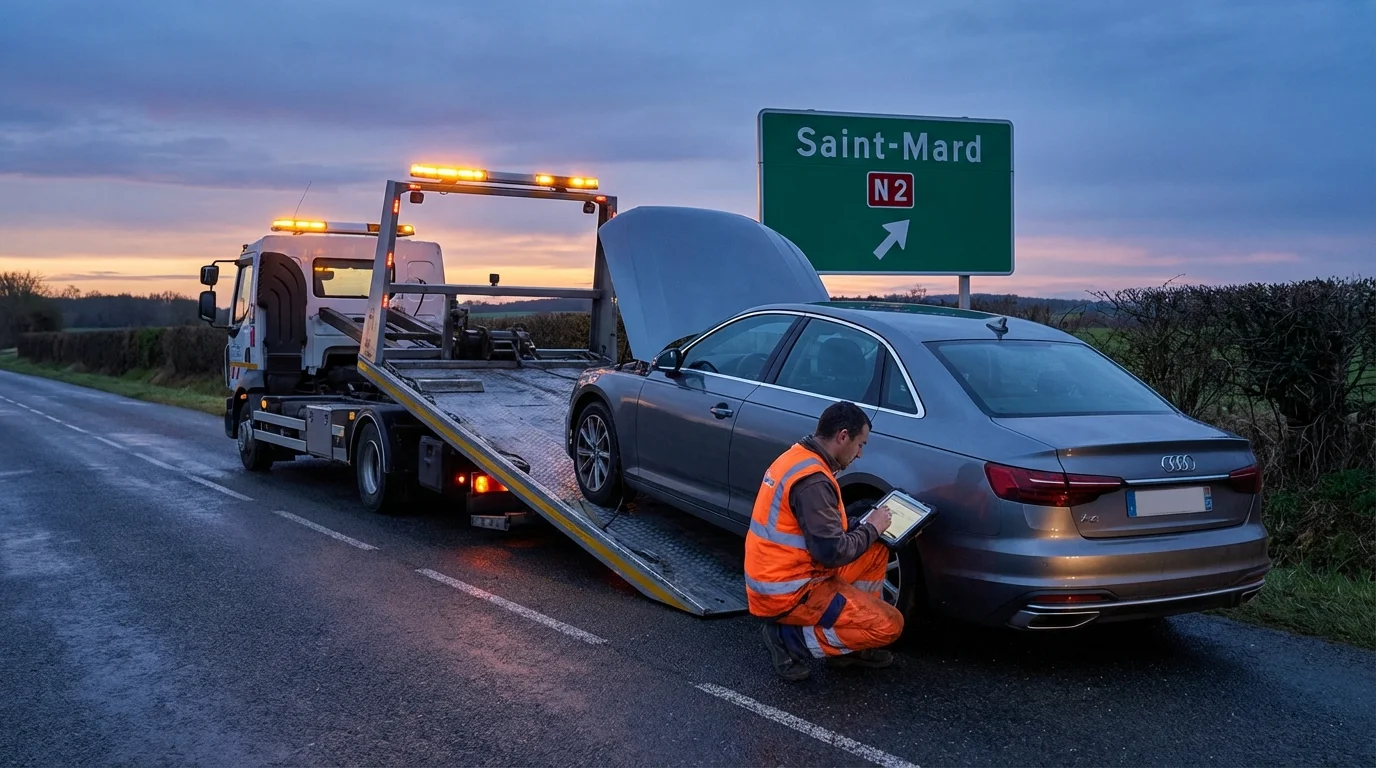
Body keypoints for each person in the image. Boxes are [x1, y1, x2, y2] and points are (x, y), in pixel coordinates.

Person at [744, 400, 904, 681]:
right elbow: (832, 552)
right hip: (789, 592)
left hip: (787, 575)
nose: (860, 454)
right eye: (860, 444)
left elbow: (820, 532)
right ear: (843, 436)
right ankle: (786, 638)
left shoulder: (799, 457)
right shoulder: (814, 482)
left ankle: (851, 644)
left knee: (876, 549)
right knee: (890, 626)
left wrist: (864, 527)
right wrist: (873, 526)